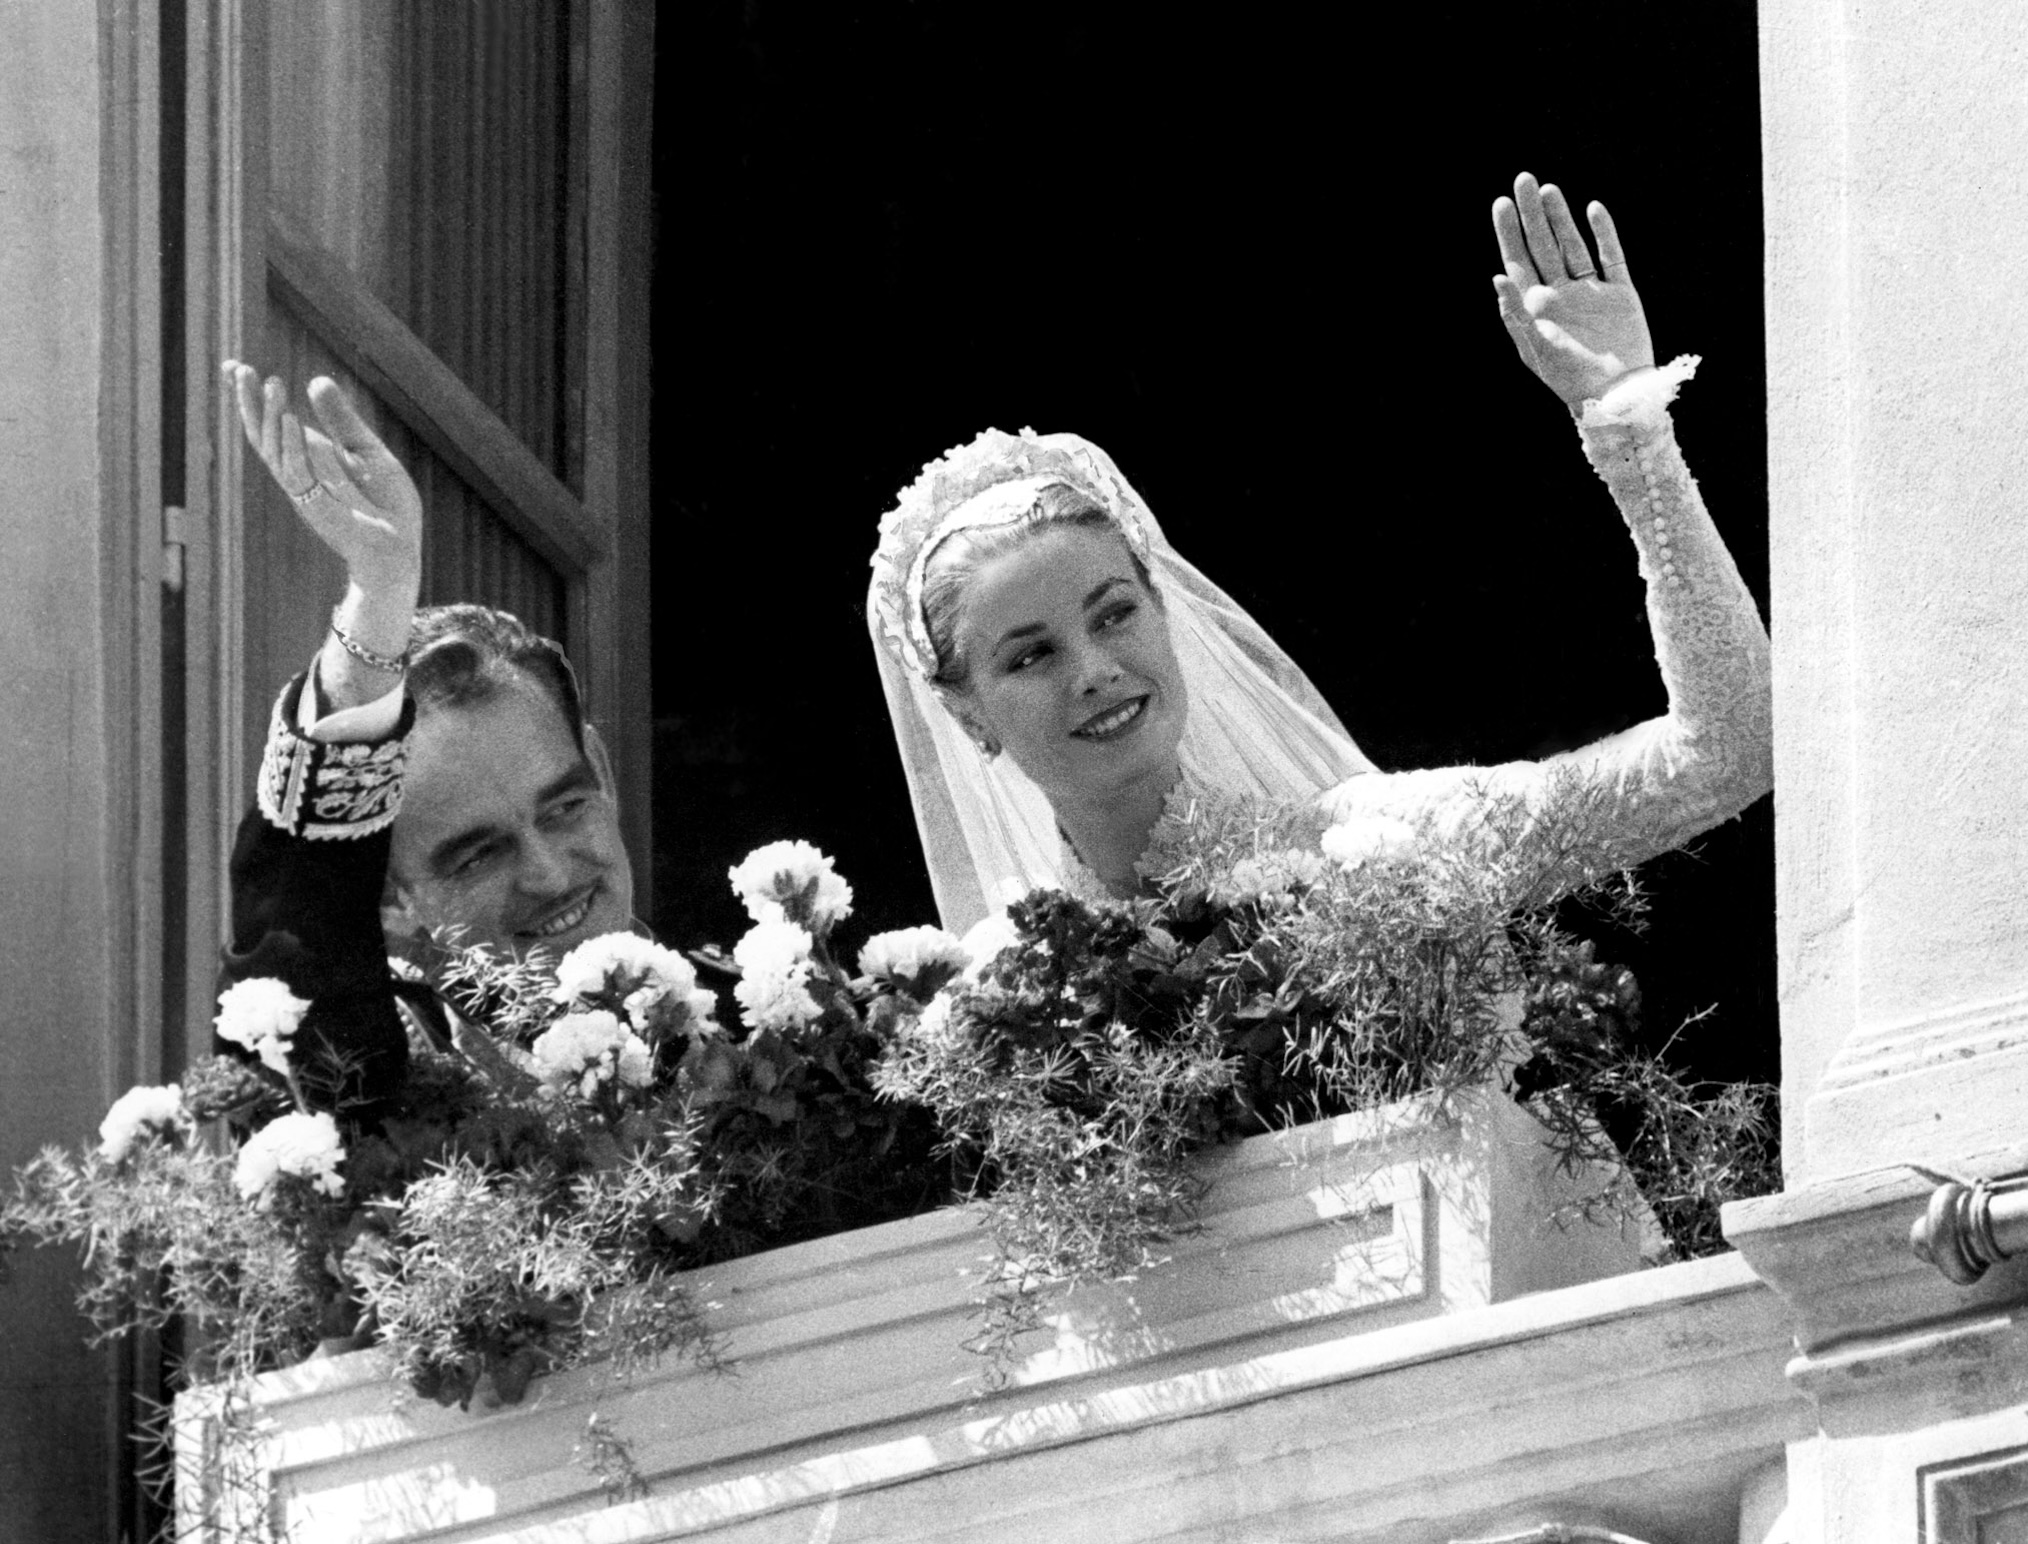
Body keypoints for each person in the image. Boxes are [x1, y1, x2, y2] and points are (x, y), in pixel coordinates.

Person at [867, 174, 1773, 931]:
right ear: (968, 714)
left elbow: (1728, 751)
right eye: (1030, 655)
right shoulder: (1000, 1008)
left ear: (1162, 611)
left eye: (1114, 613)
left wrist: (1628, 425)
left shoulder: (1366, 851)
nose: (1096, 669)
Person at [216, 365, 637, 1110]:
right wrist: (378, 595)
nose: (547, 873)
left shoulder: (798, 1034)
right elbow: (297, 948)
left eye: (564, 807)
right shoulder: (388, 1107)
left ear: (600, 770)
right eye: (477, 854)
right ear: (390, 901)